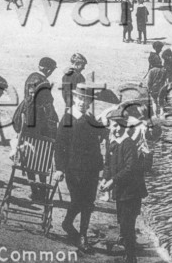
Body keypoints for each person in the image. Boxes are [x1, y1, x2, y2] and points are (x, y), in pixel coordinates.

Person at [55, 84, 107, 253]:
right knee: (78, 200)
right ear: (74, 98)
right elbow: (59, 146)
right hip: (73, 168)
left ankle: (83, 235)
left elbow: (102, 133)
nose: (83, 103)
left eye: (87, 100)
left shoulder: (90, 118)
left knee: (88, 202)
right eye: (80, 99)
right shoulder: (67, 119)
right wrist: (59, 169)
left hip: (91, 168)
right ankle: (68, 223)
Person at [99, 108, 148, 263]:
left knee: (127, 224)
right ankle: (128, 249)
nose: (114, 129)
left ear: (125, 125)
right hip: (121, 191)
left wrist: (112, 181)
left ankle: (131, 258)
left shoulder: (128, 144)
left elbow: (130, 168)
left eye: (118, 126)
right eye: (112, 126)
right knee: (123, 221)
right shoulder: (112, 142)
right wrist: (105, 178)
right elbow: (107, 164)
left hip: (131, 192)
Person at [20, 69, 59, 200]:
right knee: (42, 162)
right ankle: (43, 192)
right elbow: (53, 125)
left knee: (30, 161)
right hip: (44, 140)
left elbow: (20, 123)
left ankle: (34, 191)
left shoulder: (27, 105)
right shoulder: (48, 108)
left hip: (29, 138)